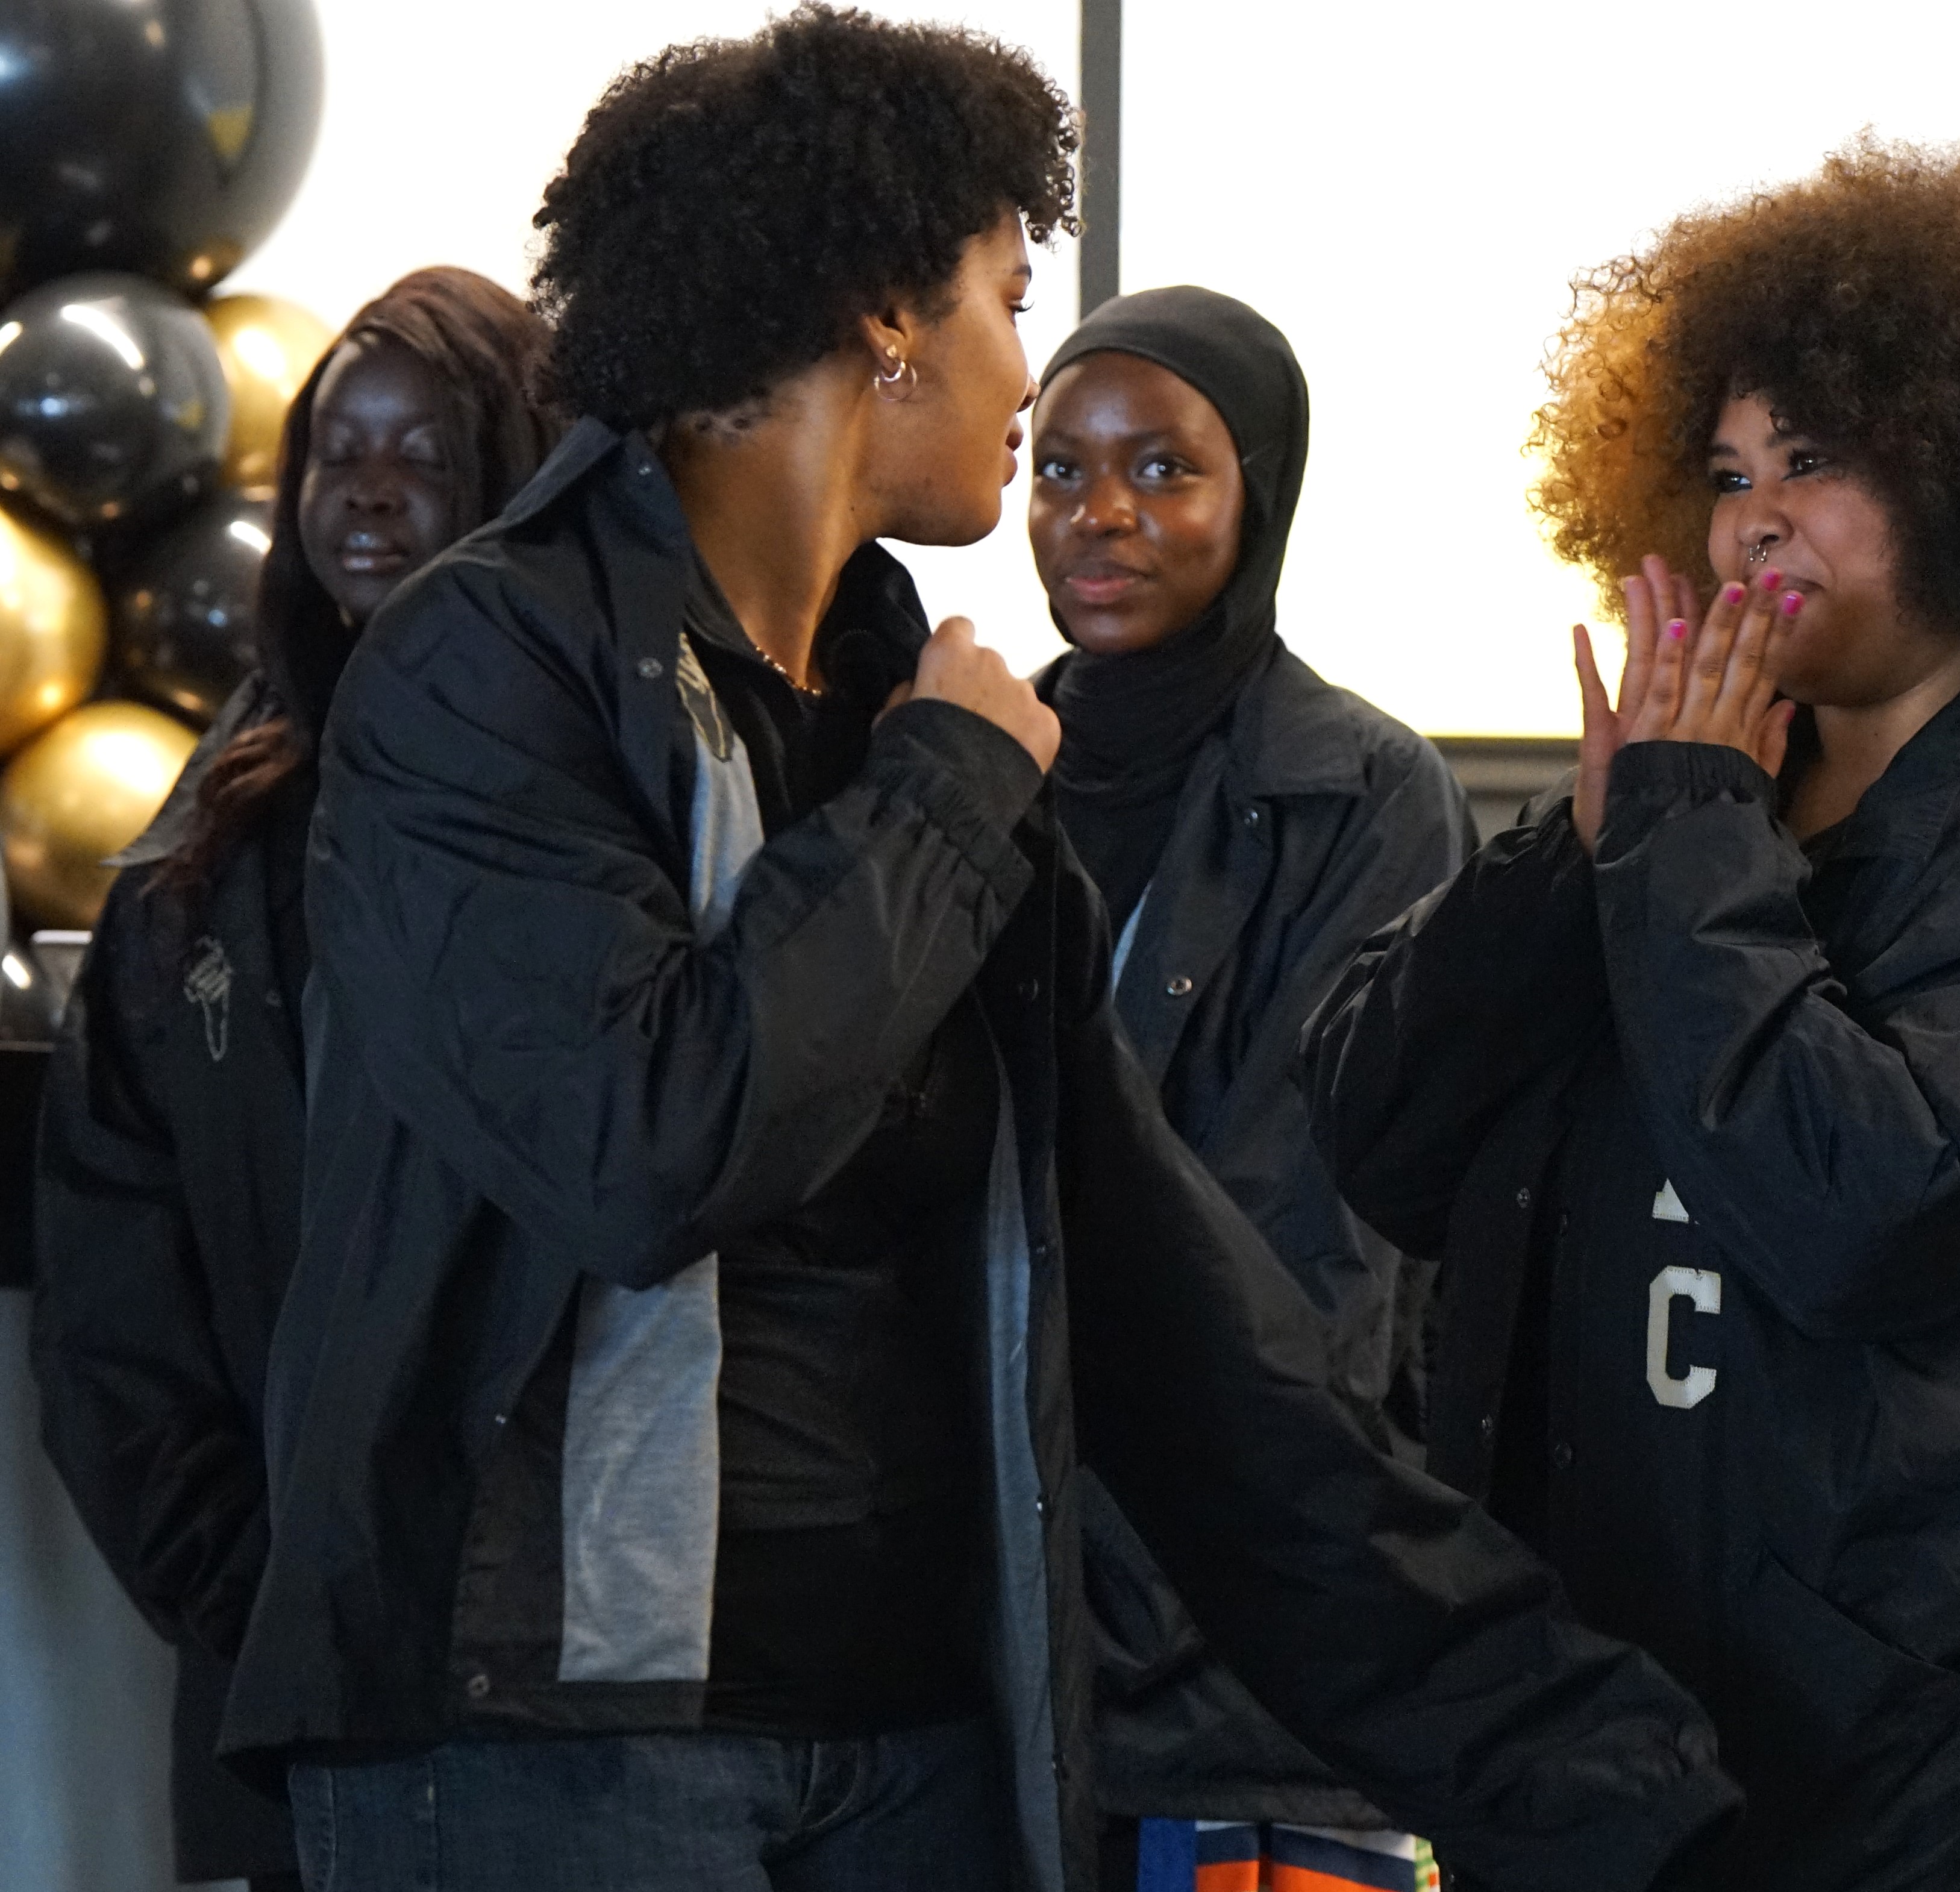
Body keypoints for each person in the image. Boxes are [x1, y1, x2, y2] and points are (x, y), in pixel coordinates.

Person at [215, 15, 1735, 1892]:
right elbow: (648, 1138)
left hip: (928, 1750)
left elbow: (1194, 1347)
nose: (1030, 374)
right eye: (1013, 297)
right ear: (885, 315)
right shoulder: (491, 667)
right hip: (547, 1759)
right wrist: (942, 783)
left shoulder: (912, 717)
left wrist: (1627, 1778)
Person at [1306, 133, 1960, 1890]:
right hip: (1634, 1749)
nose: (1754, 516)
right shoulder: (1683, 791)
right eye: (1730, 467)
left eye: (1816, 461)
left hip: (1957, 1788)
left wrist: (1678, 836)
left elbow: (1877, 1211)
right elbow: (1378, 1133)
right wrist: (1580, 853)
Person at [27, 268, 558, 1892]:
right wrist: (265, 1593)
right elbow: (114, 1282)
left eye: (426, 451)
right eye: (340, 449)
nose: (372, 492)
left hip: (572, 1711)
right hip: (284, 1693)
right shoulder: (210, 844)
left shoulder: (606, 813)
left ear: (525, 478)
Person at [1025, 287, 1472, 1892]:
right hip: (985, 1673)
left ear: (1258, 493)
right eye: (1061, 471)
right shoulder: (958, 769)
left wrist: (1102, 1597)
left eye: (1163, 469)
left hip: (1247, 1679)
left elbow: (1312, 1282)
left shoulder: (1366, 792)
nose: (1103, 516)